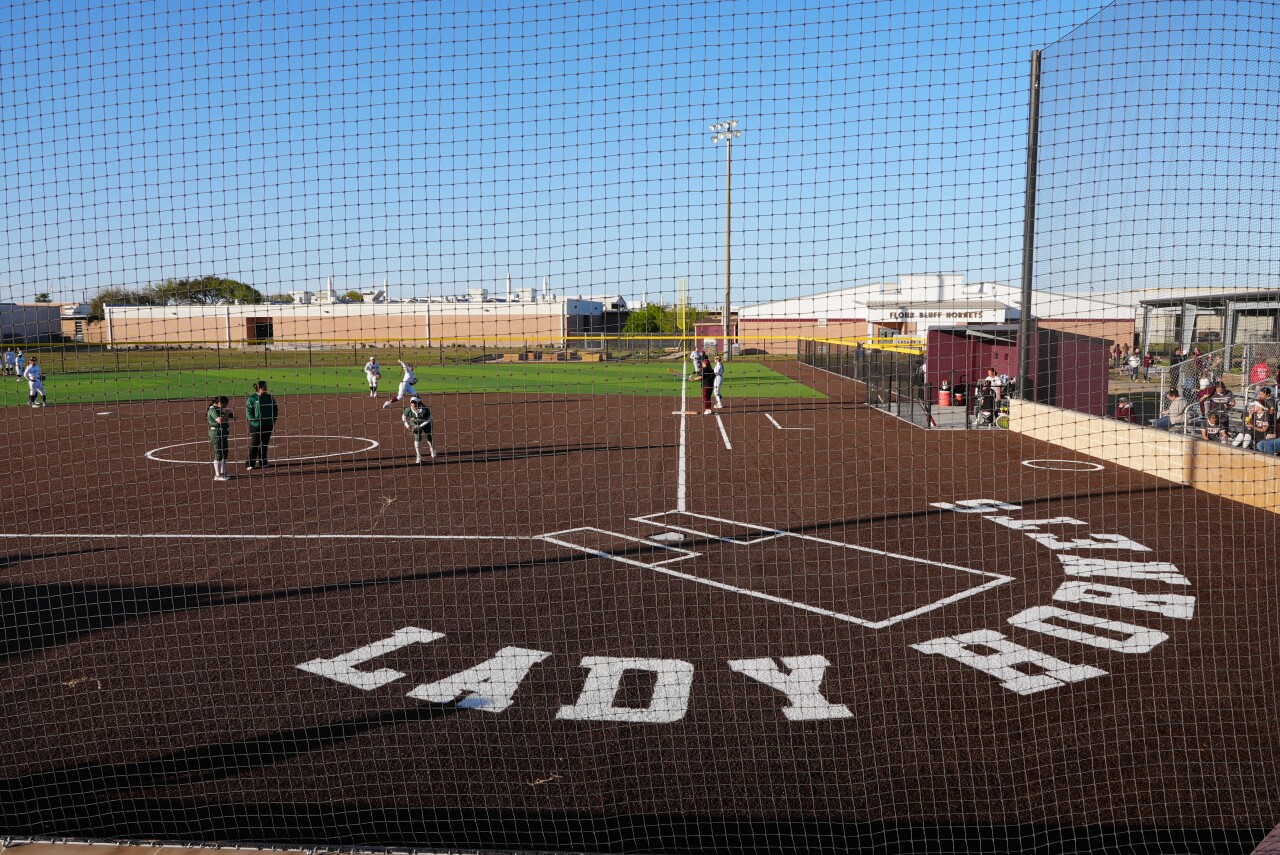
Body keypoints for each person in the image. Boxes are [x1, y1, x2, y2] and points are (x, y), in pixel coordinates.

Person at [245, 380, 280, 470]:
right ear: (260, 388)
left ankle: (263, 462)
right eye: (265, 386)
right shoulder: (252, 398)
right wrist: (254, 420)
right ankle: (250, 463)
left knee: (264, 444)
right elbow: (249, 411)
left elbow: (275, 408)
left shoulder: (269, 397)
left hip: (268, 424)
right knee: (255, 443)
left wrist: (273, 419)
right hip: (256, 425)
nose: (266, 387)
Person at [207, 396, 236, 481]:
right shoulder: (213, 410)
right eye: (225, 405)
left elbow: (223, 414)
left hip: (222, 433)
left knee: (224, 452)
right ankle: (217, 475)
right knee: (219, 452)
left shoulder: (218, 409)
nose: (225, 407)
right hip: (217, 433)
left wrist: (231, 416)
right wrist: (227, 413)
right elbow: (220, 420)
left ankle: (224, 472)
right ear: (219, 403)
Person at [402, 396, 436, 463]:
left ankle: (432, 449)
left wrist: (420, 426)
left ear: (419, 403)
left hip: (426, 423)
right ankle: (419, 456)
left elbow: (430, 418)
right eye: (411, 403)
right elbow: (403, 417)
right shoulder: (408, 410)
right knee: (417, 438)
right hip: (414, 424)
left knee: (429, 436)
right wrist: (407, 426)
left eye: (415, 403)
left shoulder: (425, 409)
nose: (413, 404)